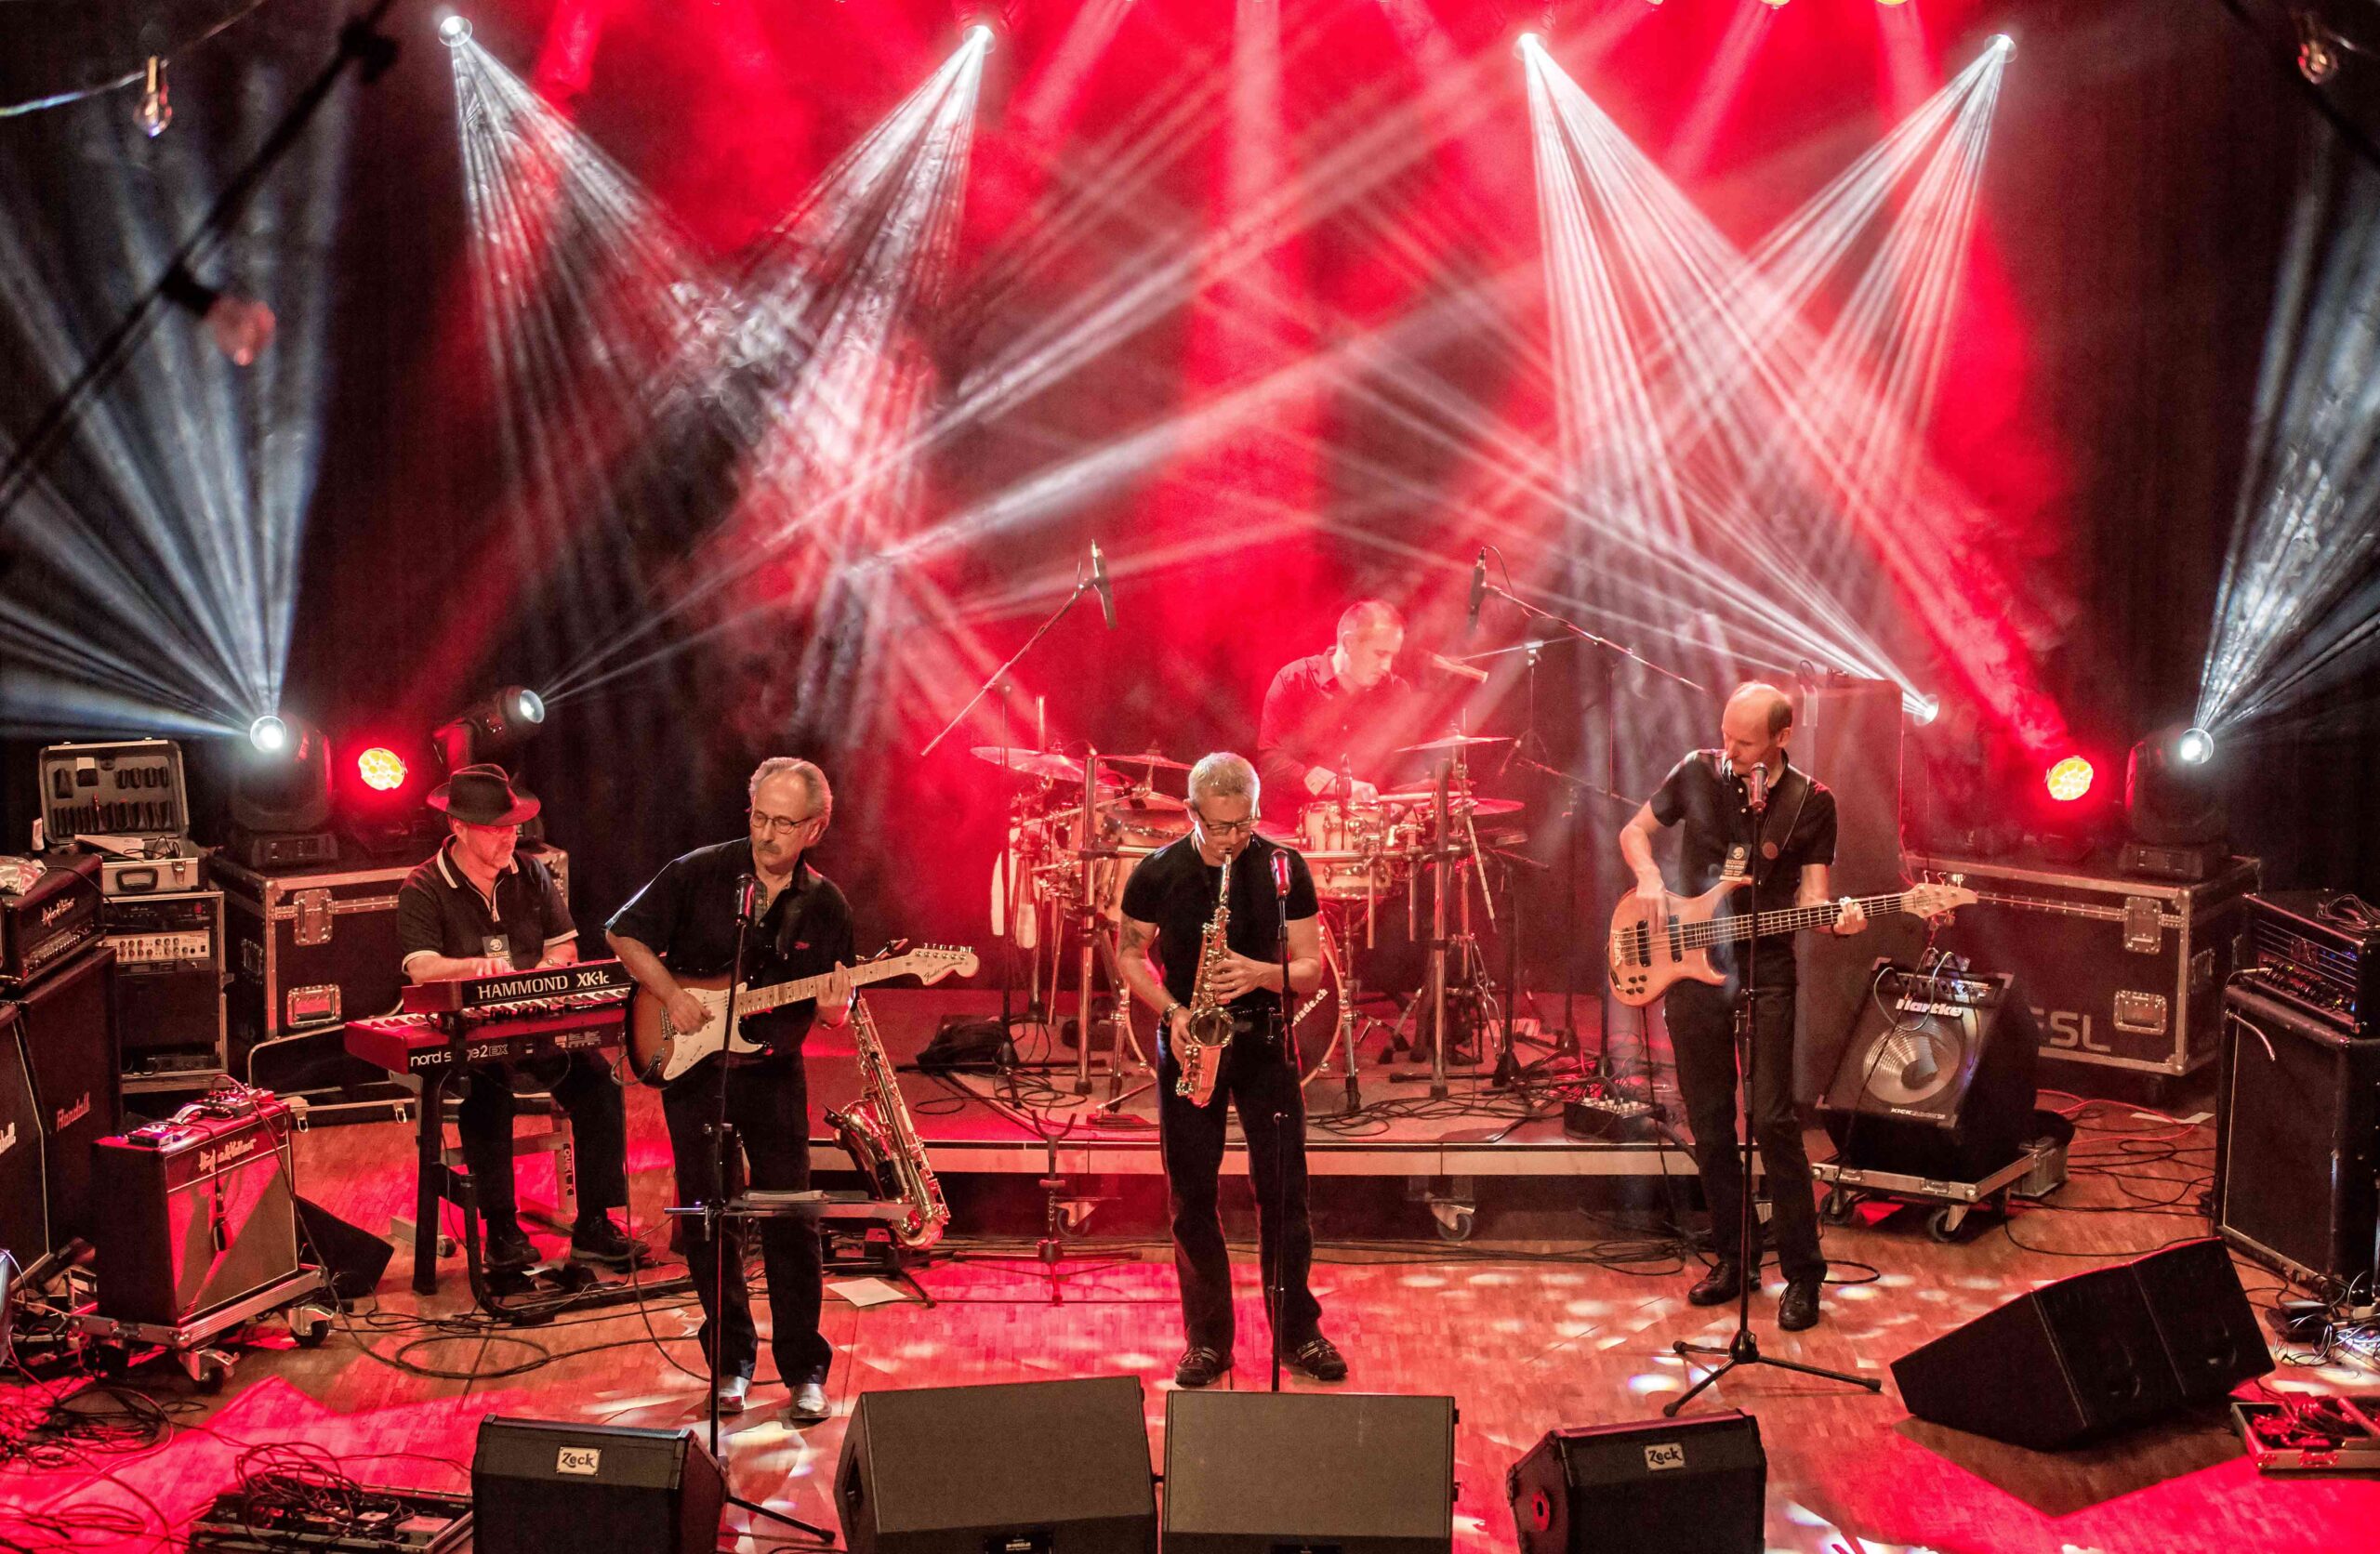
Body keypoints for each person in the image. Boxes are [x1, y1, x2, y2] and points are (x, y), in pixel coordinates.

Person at [606, 757, 855, 1427]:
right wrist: (670, 995)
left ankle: (804, 1370)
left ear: (815, 829)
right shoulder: (700, 871)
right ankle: (729, 1363)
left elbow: (836, 1009)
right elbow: (622, 933)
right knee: (708, 1219)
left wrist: (835, 1007)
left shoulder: (826, 904)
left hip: (774, 1072)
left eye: (784, 823)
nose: (767, 833)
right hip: (695, 1072)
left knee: (791, 1220)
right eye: (759, 817)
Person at [1616, 683, 1868, 1332]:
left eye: (1745, 741)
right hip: (1690, 964)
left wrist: (1838, 921)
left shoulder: (1811, 802)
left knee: (1775, 1119)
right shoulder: (1697, 771)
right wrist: (1649, 877)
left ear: (1782, 738)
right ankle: (1735, 1257)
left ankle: (1804, 1275)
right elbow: (1635, 830)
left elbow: (1813, 897)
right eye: (1726, 734)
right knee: (1709, 1119)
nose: (1729, 749)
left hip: (1766, 966)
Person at [1115, 752, 1346, 1388]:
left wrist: (1259, 974)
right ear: (1192, 813)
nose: (1233, 838)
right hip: (1192, 1038)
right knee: (1192, 1197)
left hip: (1265, 1040)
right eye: (1219, 826)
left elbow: (1310, 970)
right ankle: (1208, 1340)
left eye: (1244, 823)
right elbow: (1129, 954)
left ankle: (1298, 1333)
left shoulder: (1282, 868)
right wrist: (1173, 1011)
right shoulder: (1158, 871)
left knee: (1285, 1192)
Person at [396, 763, 643, 1271]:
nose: (510, 837)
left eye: (513, 826)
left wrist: (547, 976)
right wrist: (474, 969)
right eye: (496, 829)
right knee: (489, 1097)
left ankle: (594, 1224)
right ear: (458, 827)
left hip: (536, 1026)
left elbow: (565, 949)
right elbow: (420, 969)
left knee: (600, 1084)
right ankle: (502, 1230)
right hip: (466, 1038)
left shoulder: (530, 872)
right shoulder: (422, 885)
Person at [1255, 599, 1414, 804]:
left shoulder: (1395, 691)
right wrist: (1336, 785)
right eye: (1380, 654)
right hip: (1298, 818)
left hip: (1372, 820)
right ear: (1348, 643)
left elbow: (1403, 766)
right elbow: (1271, 764)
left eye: (1392, 656)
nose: (1387, 667)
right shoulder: (1294, 680)